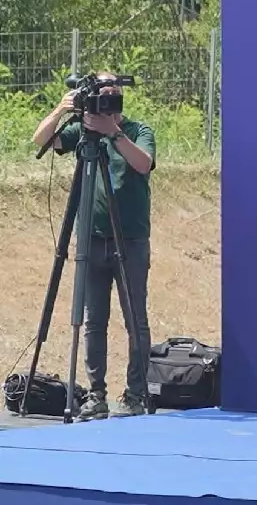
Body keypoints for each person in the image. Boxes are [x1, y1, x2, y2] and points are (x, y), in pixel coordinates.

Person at [30, 74, 157, 421]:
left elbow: (143, 163)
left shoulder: (137, 130)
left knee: (135, 320)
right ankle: (95, 395)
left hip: (131, 239)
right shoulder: (84, 133)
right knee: (93, 321)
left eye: (113, 93)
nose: (107, 99)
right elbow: (41, 140)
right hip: (92, 238)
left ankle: (136, 394)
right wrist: (61, 109)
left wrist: (113, 132)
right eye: (101, 93)